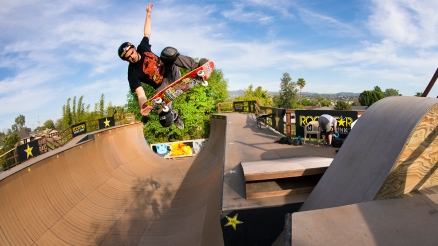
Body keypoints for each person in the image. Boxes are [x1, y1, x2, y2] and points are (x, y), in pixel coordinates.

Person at [118, 3, 208, 129]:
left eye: (132, 53)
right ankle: (173, 115)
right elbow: (141, 94)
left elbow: (147, 33)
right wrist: (144, 105)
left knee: (168, 53)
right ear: (126, 60)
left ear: (134, 49)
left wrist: (148, 15)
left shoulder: (143, 47)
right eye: (128, 57)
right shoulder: (132, 73)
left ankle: (196, 67)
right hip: (161, 88)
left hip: (170, 72)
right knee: (165, 120)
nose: (132, 57)